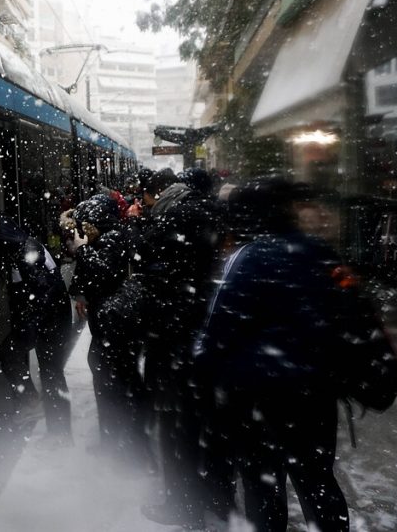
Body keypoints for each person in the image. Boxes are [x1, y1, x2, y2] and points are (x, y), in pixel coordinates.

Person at [194, 177, 352, 532]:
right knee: (318, 482)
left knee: (264, 488)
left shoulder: (247, 258)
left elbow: (217, 333)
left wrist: (206, 379)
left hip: (259, 399)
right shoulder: (320, 252)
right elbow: (348, 316)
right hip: (315, 394)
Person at [134, 168, 224, 528]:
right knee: (203, 431)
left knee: (178, 431)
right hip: (200, 339)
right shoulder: (208, 213)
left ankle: (183, 508)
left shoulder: (177, 219)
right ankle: (214, 498)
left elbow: (150, 267)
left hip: (176, 341)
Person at [66, 194, 147, 462]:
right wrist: (80, 292)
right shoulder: (108, 235)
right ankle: (118, 441)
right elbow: (90, 273)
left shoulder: (113, 237)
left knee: (114, 382)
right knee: (112, 380)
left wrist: (83, 250)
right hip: (109, 323)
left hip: (115, 324)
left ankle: (125, 446)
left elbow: (103, 271)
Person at [0, 213, 76, 443]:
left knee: (18, 358)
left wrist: (28, 330)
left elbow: (40, 296)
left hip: (50, 323)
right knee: (51, 373)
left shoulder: (27, 253)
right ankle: (59, 432)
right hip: (52, 321)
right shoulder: (26, 246)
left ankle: (34, 405)